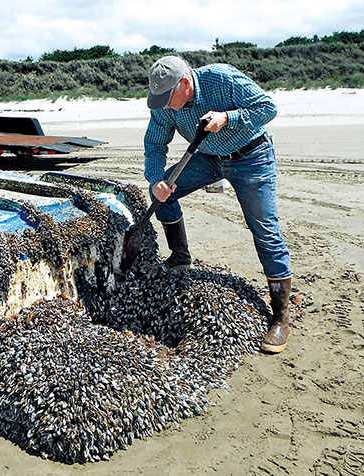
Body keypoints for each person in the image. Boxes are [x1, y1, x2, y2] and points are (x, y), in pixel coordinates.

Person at [144, 55, 292, 353]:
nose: (164, 105)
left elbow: (268, 107)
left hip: (252, 157)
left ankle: (280, 317)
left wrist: (228, 118)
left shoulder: (222, 79)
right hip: (208, 159)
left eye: (167, 98)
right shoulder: (165, 107)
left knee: (264, 229)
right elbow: (155, 144)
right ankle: (180, 255)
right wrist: (156, 179)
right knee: (161, 193)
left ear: (185, 83)